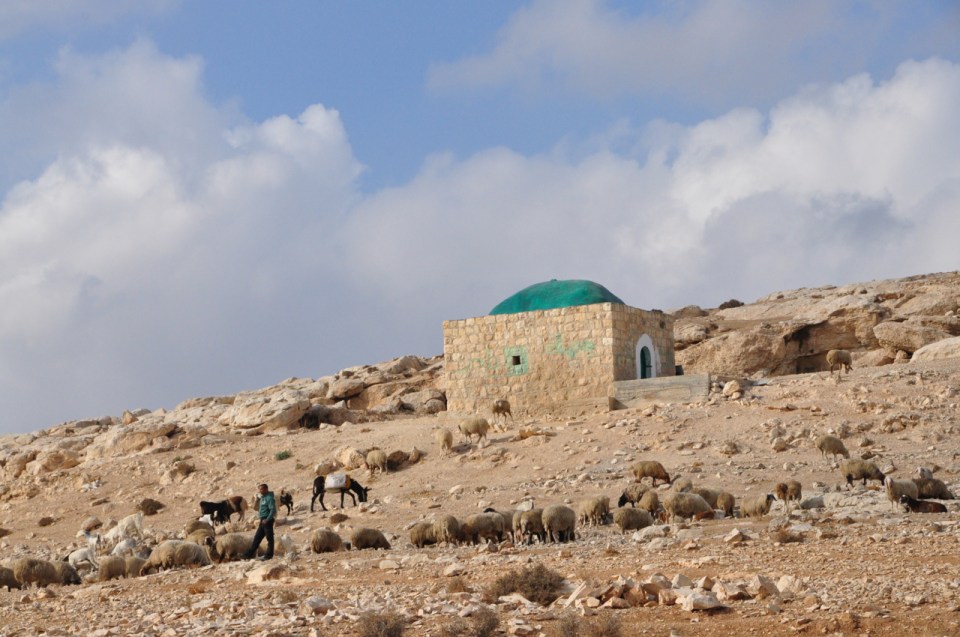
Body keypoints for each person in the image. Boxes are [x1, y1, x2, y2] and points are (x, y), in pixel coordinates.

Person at [244, 483, 276, 560]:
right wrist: (257, 500)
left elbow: (273, 510)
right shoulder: (262, 498)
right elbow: (256, 508)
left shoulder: (269, 498)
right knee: (257, 538)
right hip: (262, 520)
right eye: (259, 489)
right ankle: (248, 554)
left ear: (266, 489)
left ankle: (269, 555)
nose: (260, 491)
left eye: (261, 489)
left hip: (267, 520)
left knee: (269, 538)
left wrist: (267, 519)